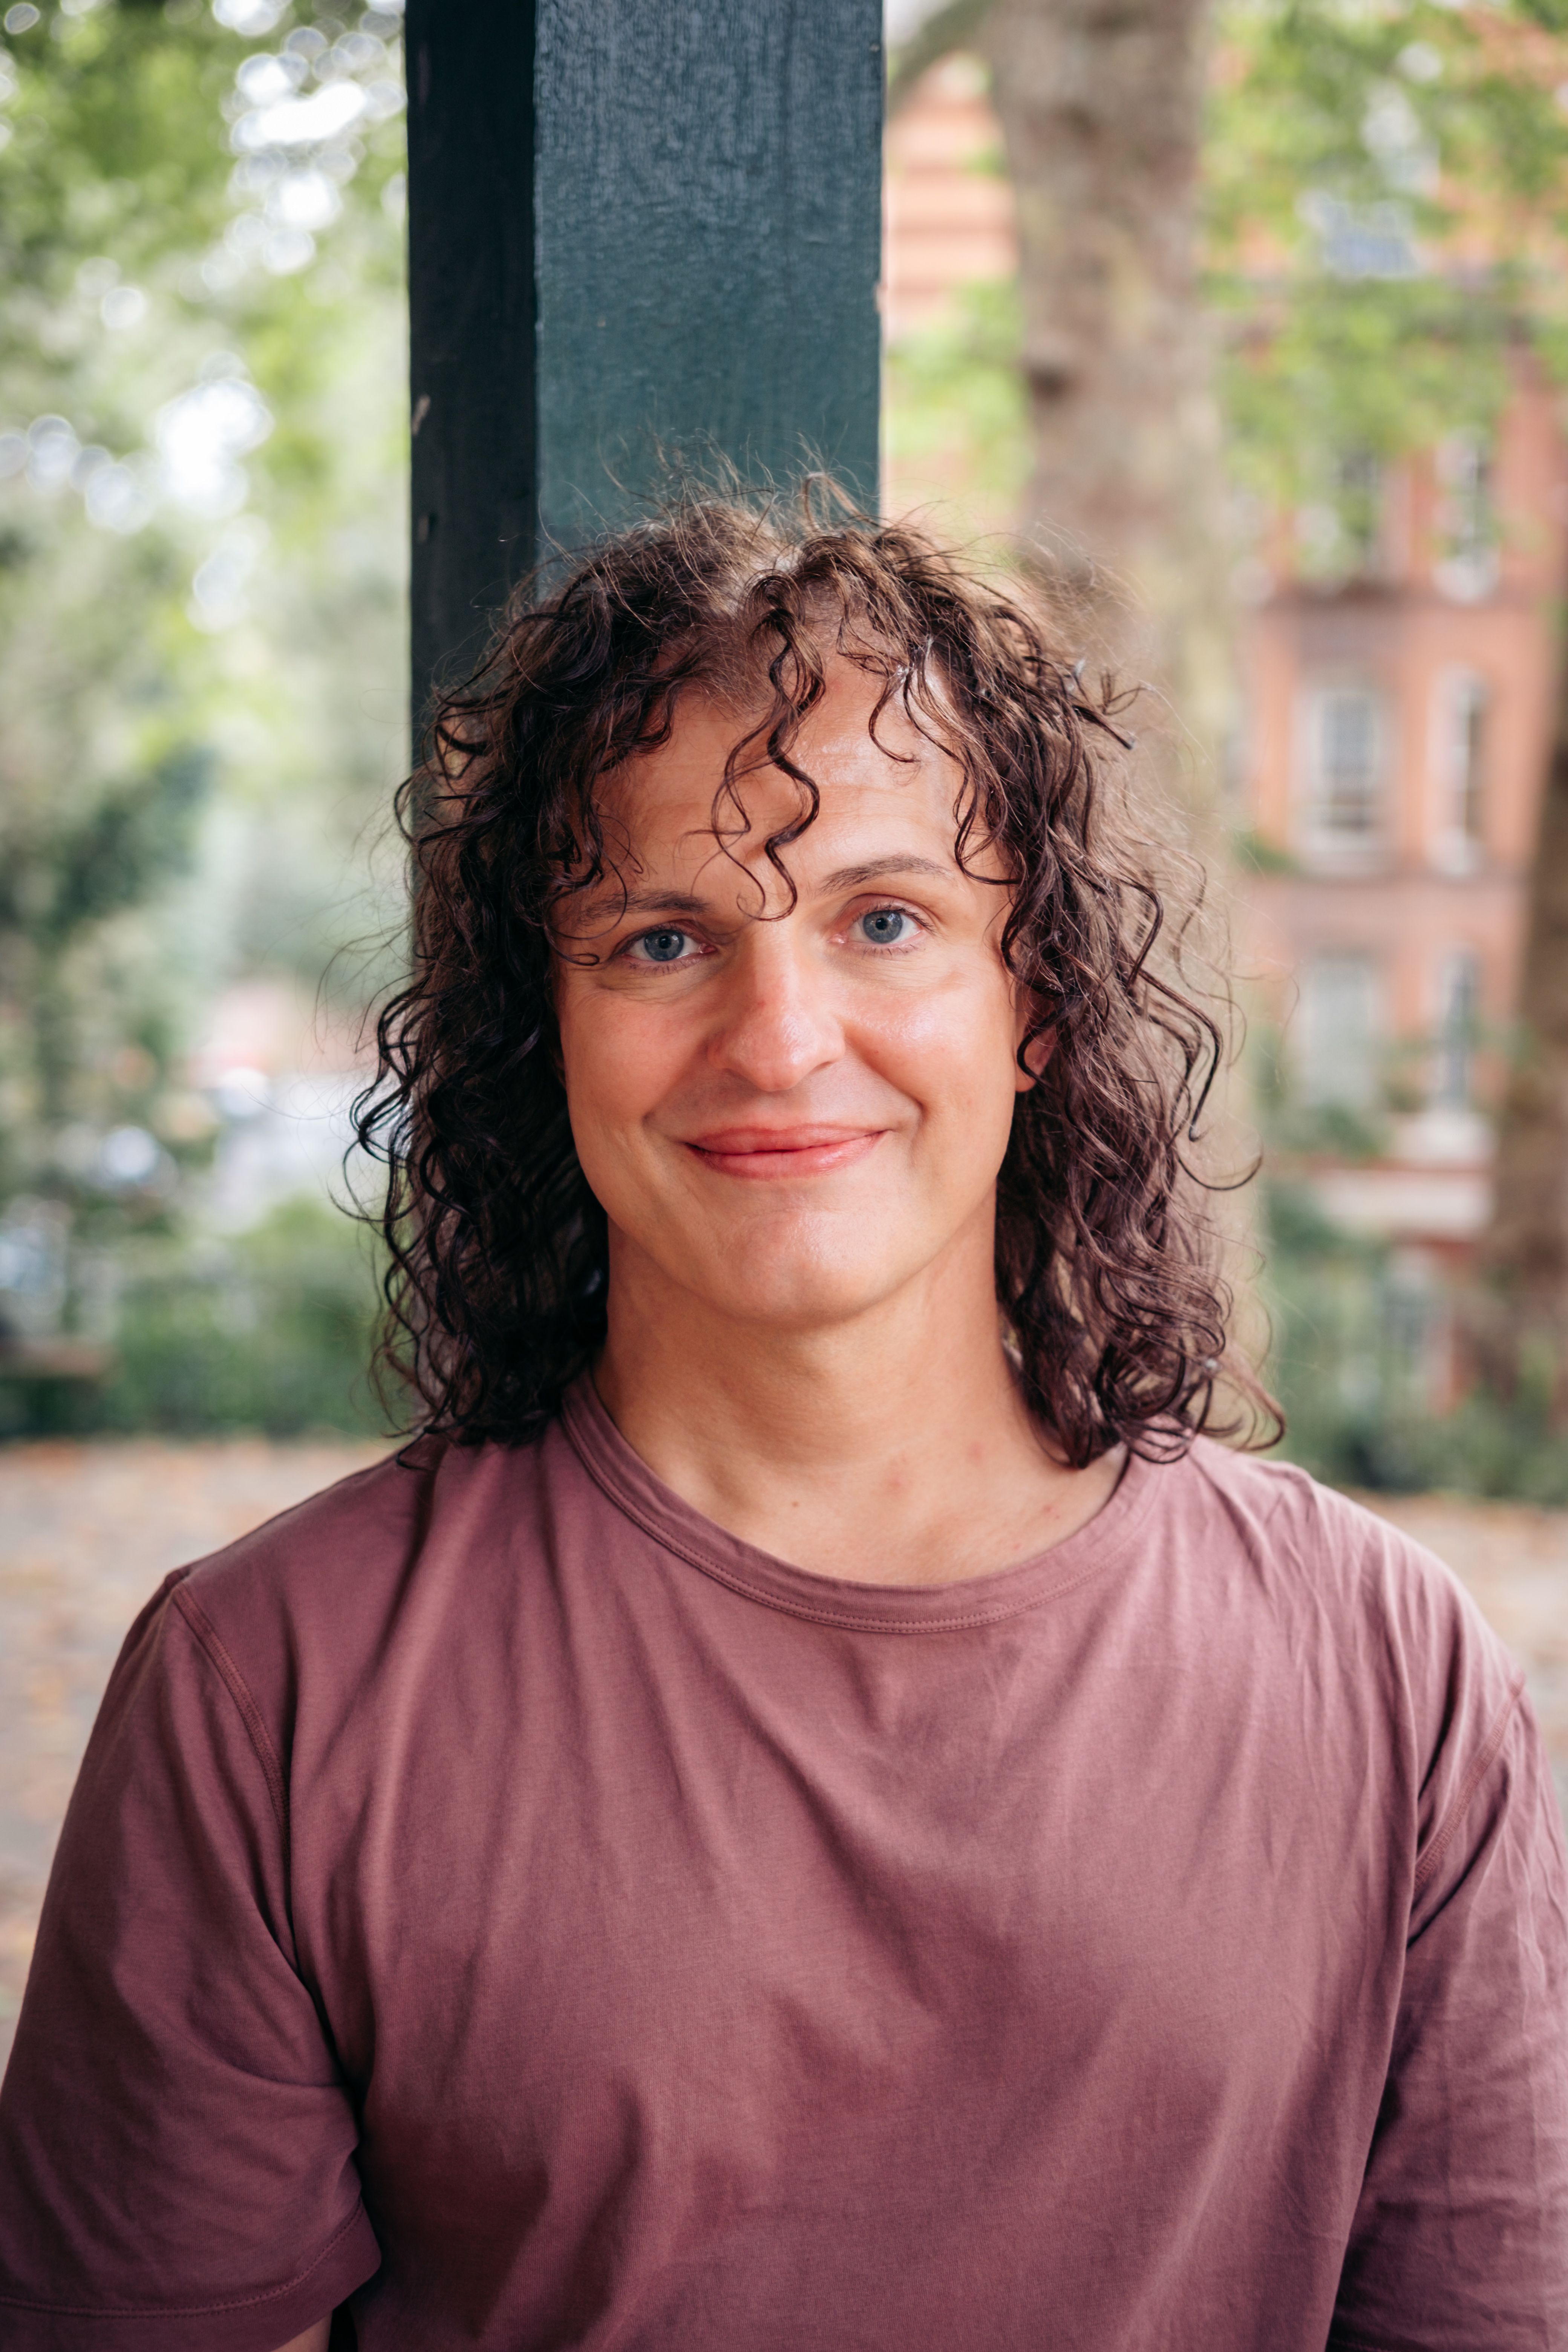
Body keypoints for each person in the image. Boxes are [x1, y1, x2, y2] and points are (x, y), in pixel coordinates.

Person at [1, 498, 1565, 2352]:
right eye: (662, 940)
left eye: (883, 920)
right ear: (545, 1027)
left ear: (1035, 1001)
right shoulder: (270, 1679)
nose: (776, 1033)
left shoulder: (1388, 1673)